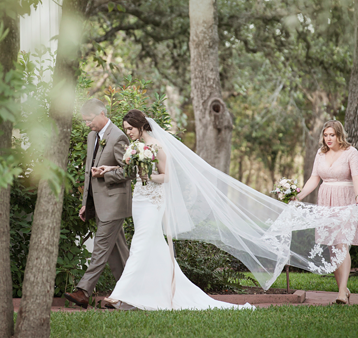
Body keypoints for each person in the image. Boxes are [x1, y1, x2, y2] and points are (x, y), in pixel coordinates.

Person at [99, 110, 254, 311]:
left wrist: (147, 177)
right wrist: (108, 169)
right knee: (154, 247)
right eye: (126, 129)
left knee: (139, 244)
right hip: (138, 200)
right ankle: (145, 295)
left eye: (130, 128)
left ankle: (119, 295)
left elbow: (167, 176)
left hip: (153, 201)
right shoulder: (135, 147)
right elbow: (130, 172)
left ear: (141, 126)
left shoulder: (157, 146)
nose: (128, 132)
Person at [64, 99, 133, 309]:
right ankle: (131, 296)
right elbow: (88, 173)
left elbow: (130, 172)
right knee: (117, 254)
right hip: (99, 204)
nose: (87, 124)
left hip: (114, 203)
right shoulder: (91, 136)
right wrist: (86, 203)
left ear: (102, 113)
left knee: (101, 247)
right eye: (84, 121)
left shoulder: (119, 137)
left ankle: (83, 291)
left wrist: (107, 173)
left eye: (89, 120)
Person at [294, 120, 358, 305]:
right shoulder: (320, 153)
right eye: (326, 135)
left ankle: (342, 292)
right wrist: (298, 197)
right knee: (332, 248)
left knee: (342, 244)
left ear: (339, 135)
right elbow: (314, 178)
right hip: (326, 200)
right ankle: (343, 288)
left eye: (332, 135)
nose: (328, 139)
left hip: (345, 199)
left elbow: (357, 176)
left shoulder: (351, 152)